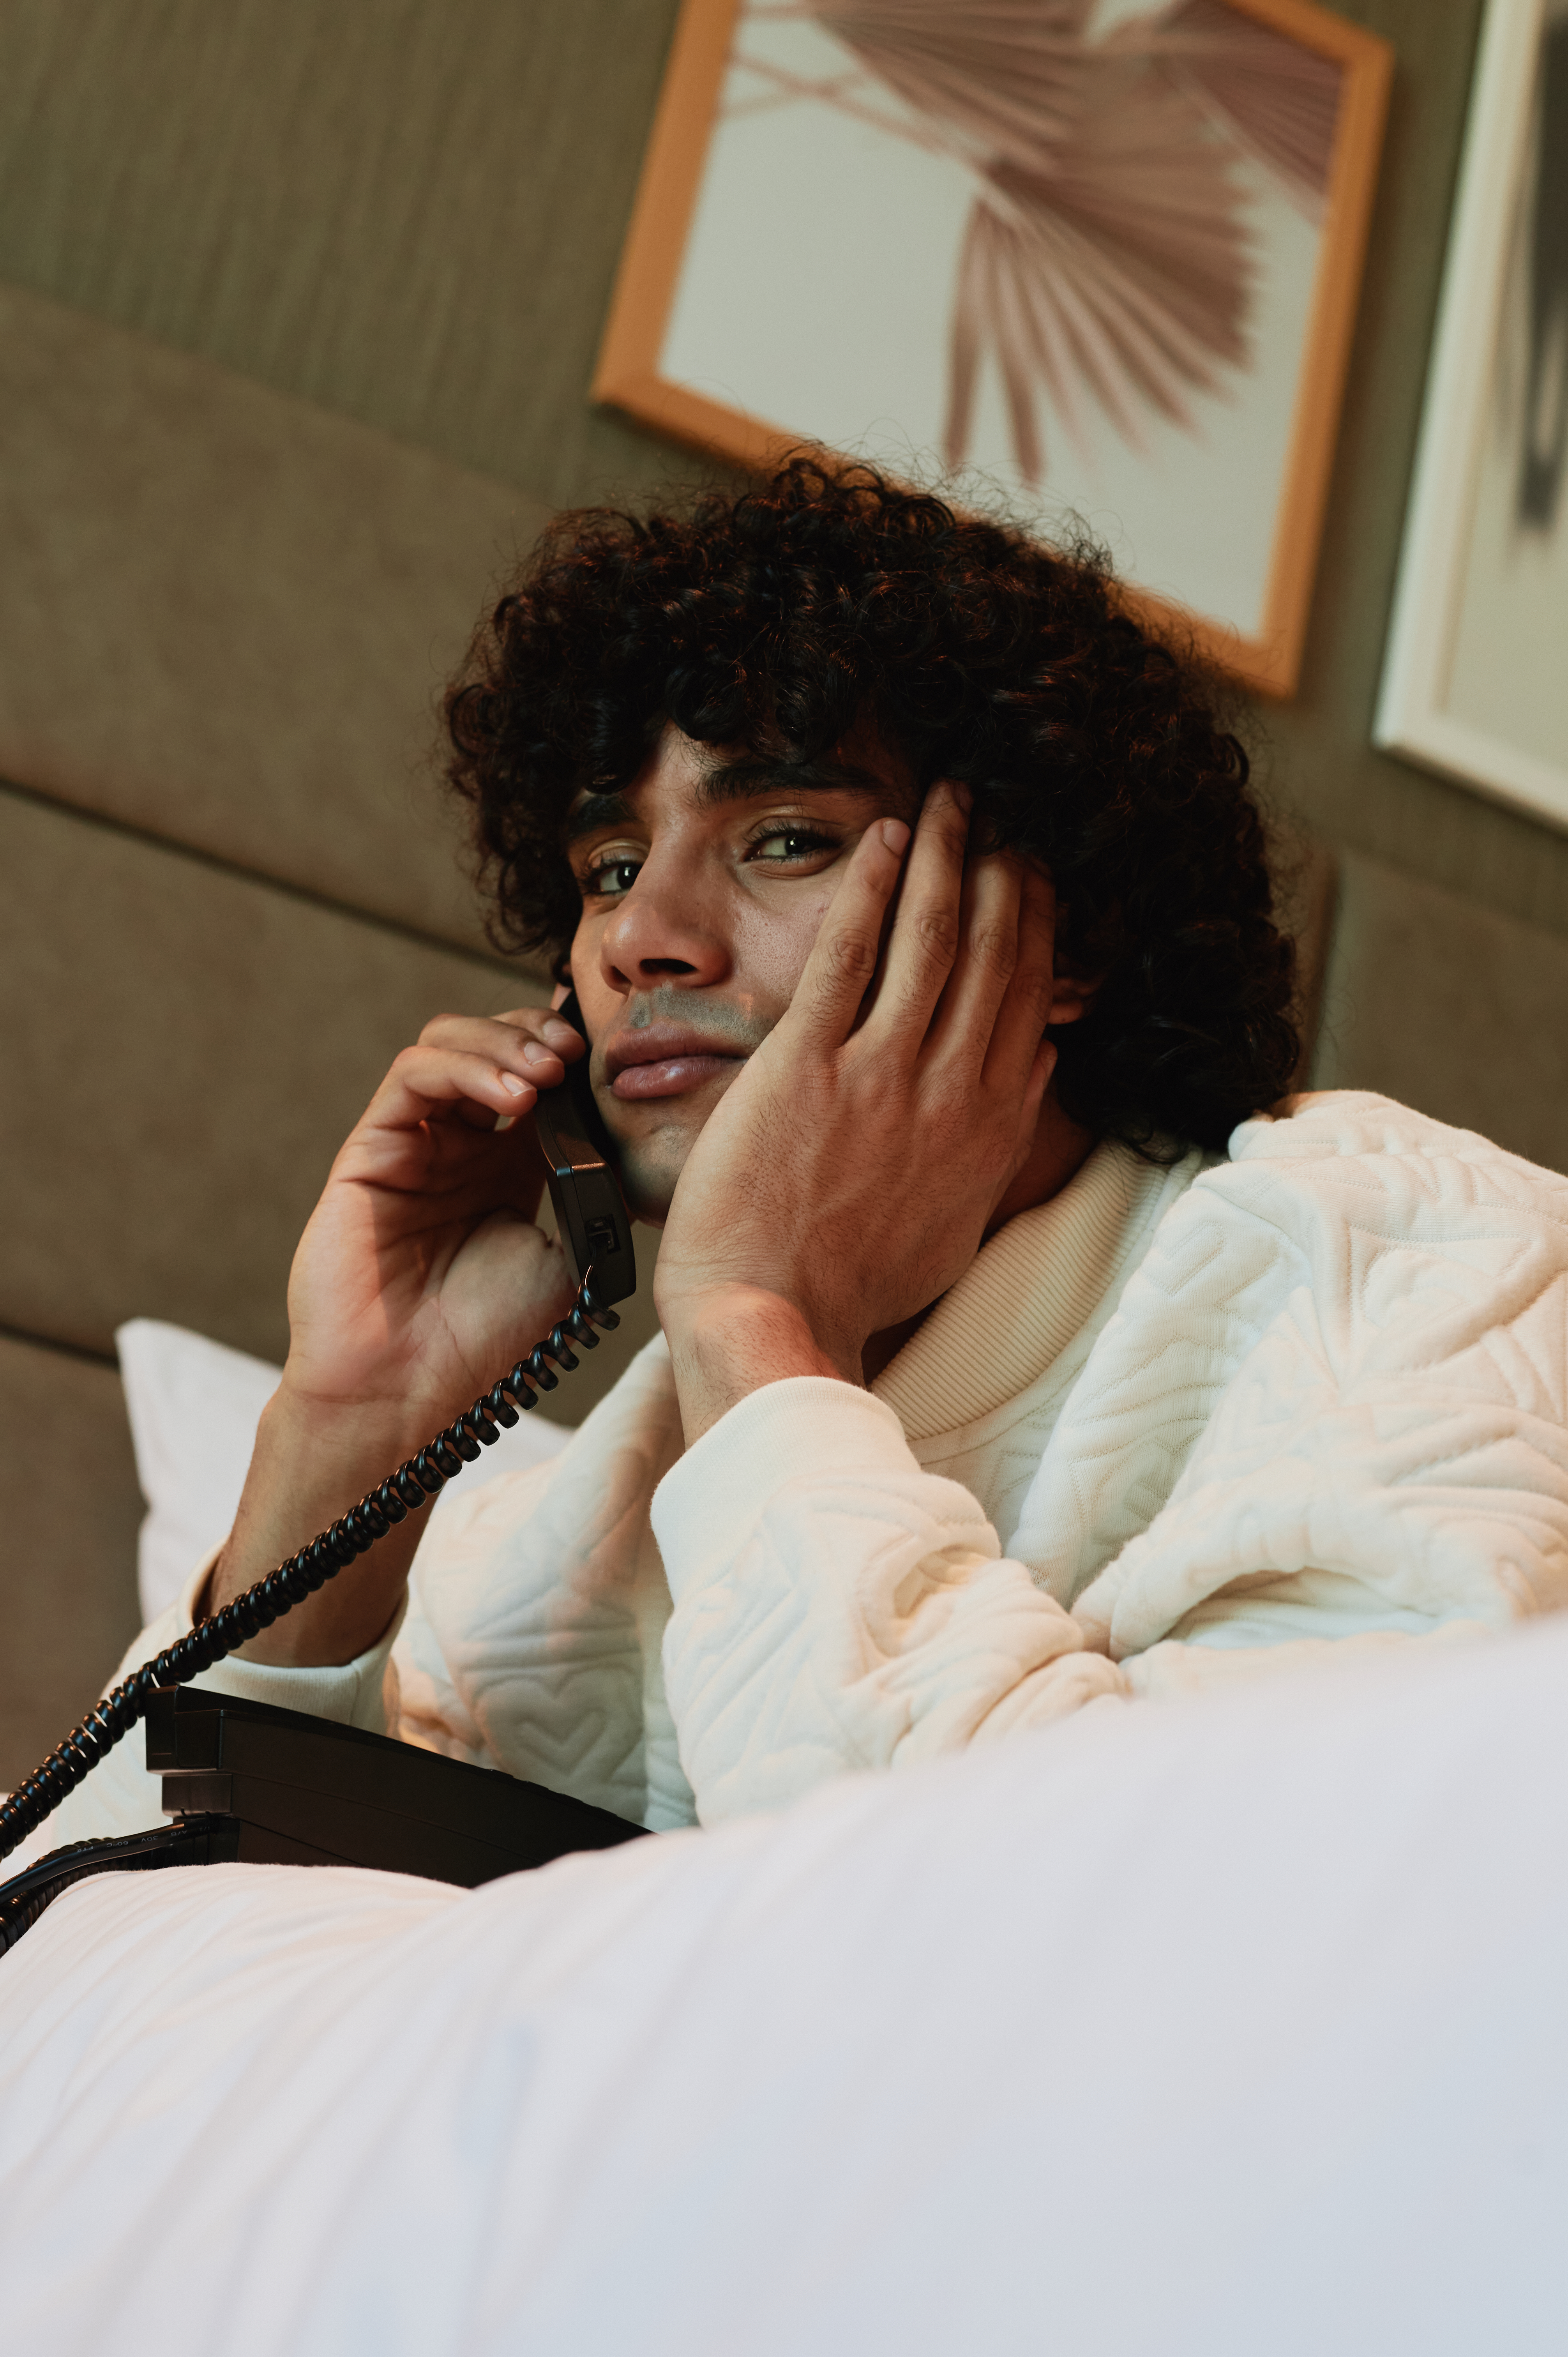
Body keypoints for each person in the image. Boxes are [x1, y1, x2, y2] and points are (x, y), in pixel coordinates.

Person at [44, 459, 1568, 1843]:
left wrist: (755, 1326)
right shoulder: (582, 1517)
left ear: (1064, 932)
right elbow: (101, 1949)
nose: (640, 934)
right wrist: (352, 1428)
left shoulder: (1416, 1259)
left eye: (782, 838)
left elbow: (1179, 1951)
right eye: (610, 866)